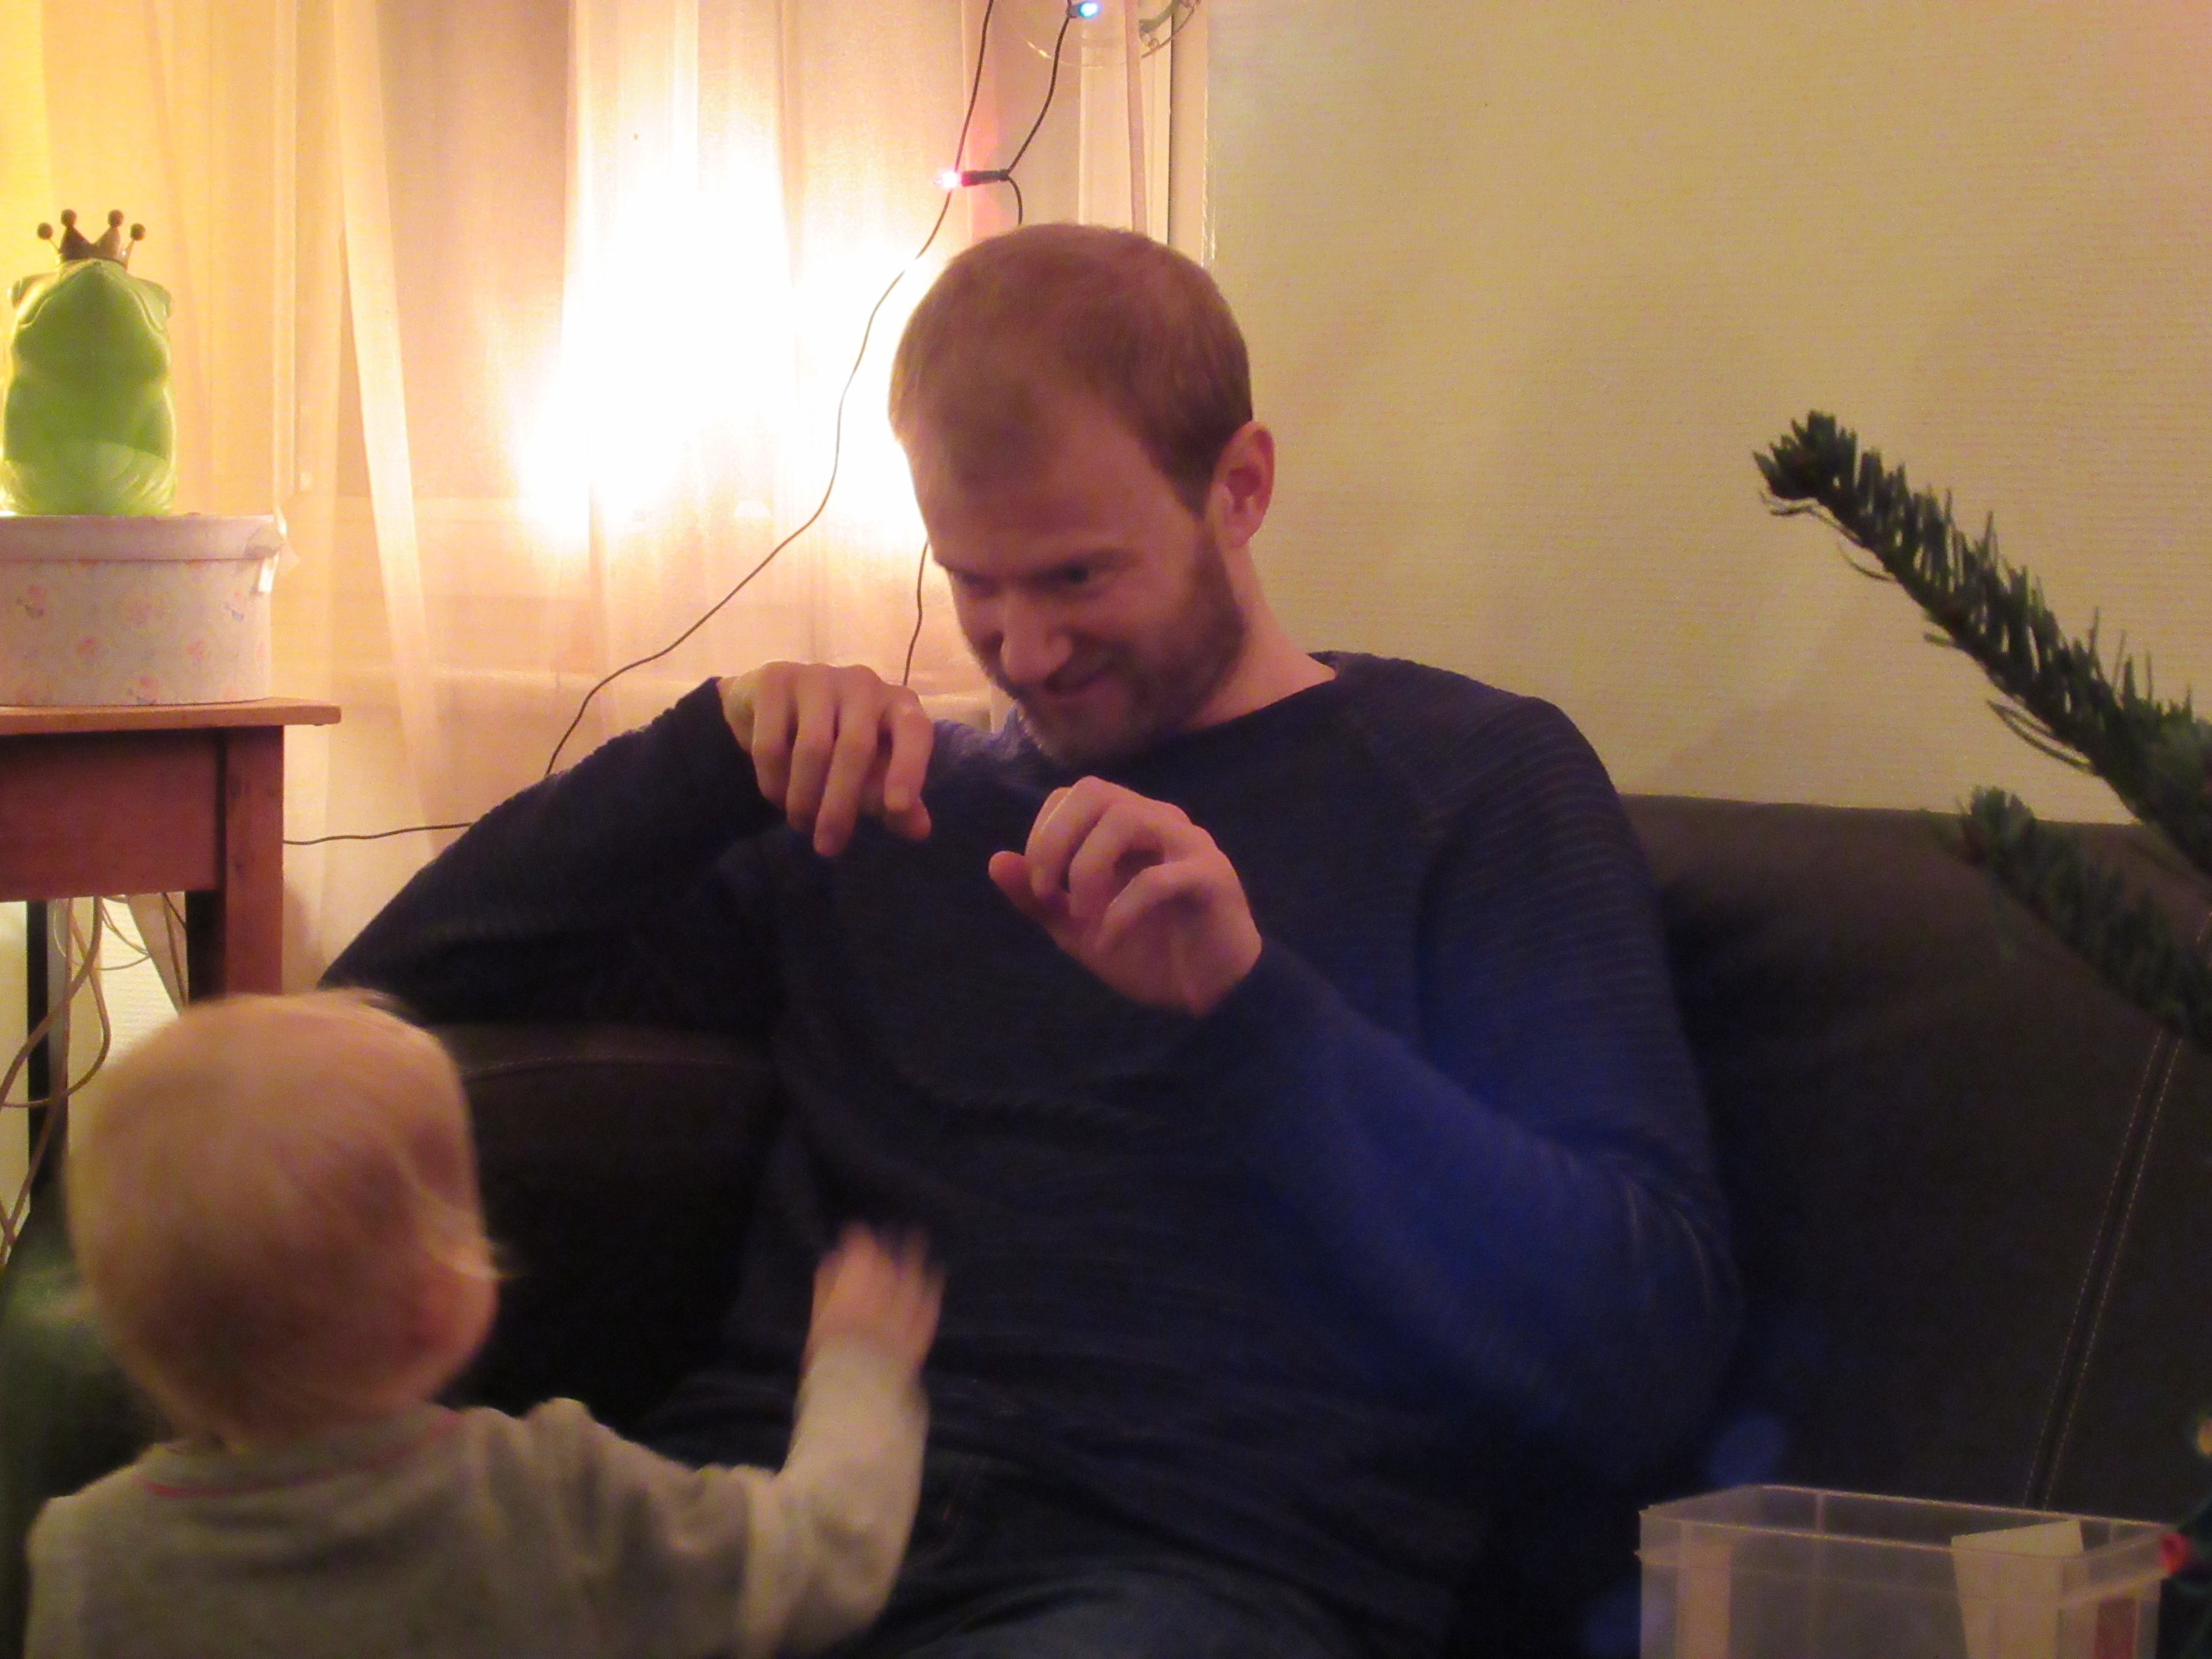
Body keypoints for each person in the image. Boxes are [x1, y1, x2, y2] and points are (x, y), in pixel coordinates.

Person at [329, 223, 1740, 1658]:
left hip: (1176, 1567)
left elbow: (1643, 1347)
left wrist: (1252, 1008)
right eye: (974, 583)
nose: (1026, 649)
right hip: (758, 1524)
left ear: (1239, 488)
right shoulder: (890, 804)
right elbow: (362, 1018)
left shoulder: (1471, 785)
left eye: (1076, 578)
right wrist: (709, 752)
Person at [29, 991, 940, 1659]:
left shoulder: (89, 1561)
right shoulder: (550, 1497)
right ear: (441, 1301)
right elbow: (823, 1560)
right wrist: (860, 1369)